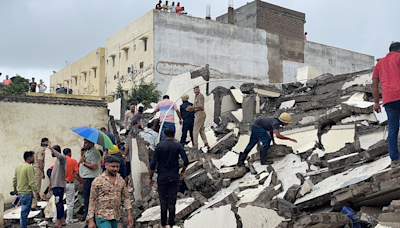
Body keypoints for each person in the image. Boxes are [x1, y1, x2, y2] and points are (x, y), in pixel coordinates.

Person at [149, 128, 189, 228]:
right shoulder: (178, 145)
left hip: (162, 177)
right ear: (174, 135)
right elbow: (186, 161)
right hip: (174, 177)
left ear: (164, 135)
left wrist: (150, 177)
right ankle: (171, 225)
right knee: (172, 202)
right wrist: (182, 171)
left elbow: (153, 164)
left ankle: (163, 226)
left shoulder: (159, 146)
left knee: (163, 203)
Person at [373, 42, 400, 168]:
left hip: (388, 100)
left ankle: (394, 160)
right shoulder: (398, 57)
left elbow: (374, 84)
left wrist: (376, 103)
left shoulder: (379, 64)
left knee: (393, 129)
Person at [87, 156, 133, 228]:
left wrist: (129, 215)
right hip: (102, 216)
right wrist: (91, 220)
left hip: (115, 216)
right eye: (113, 166)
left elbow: (126, 198)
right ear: (106, 165)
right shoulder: (98, 181)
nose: (115, 169)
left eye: (117, 167)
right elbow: (92, 201)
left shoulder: (121, 180)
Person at [13, 151, 40, 228]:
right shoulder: (29, 167)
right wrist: (37, 192)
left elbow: (14, 179)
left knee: (23, 211)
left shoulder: (18, 166)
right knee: (25, 213)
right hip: (27, 193)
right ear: (30, 158)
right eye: (33, 157)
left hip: (20, 193)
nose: (34, 159)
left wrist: (15, 189)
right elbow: (32, 182)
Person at [79, 139, 101, 223]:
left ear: (91, 143)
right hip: (86, 178)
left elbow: (95, 166)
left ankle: (91, 217)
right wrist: (82, 153)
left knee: (89, 198)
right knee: (86, 198)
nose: (84, 144)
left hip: (90, 178)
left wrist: (84, 163)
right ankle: (89, 215)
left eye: (85, 143)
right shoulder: (88, 151)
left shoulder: (94, 153)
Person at [48, 144, 67, 228]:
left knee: (58, 203)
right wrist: (51, 185)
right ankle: (62, 220)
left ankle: (58, 222)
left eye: (52, 152)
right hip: (56, 185)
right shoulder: (56, 161)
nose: (51, 153)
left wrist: (51, 148)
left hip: (59, 185)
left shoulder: (62, 159)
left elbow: (61, 156)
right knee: (59, 203)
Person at [32, 138, 49, 210]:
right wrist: (42, 171)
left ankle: (34, 203)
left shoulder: (36, 148)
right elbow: (40, 160)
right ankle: (33, 205)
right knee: (36, 187)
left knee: (34, 186)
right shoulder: (41, 150)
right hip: (38, 169)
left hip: (33, 167)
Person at [63, 148, 79, 224]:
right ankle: (68, 220)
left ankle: (56, 219)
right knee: (70, 203)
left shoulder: (60, 161)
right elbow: (76, 173)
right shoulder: (73, 161)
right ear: (70, 153)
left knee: (58, 202)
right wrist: (81, 182)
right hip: (69, 183)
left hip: (61, 184)